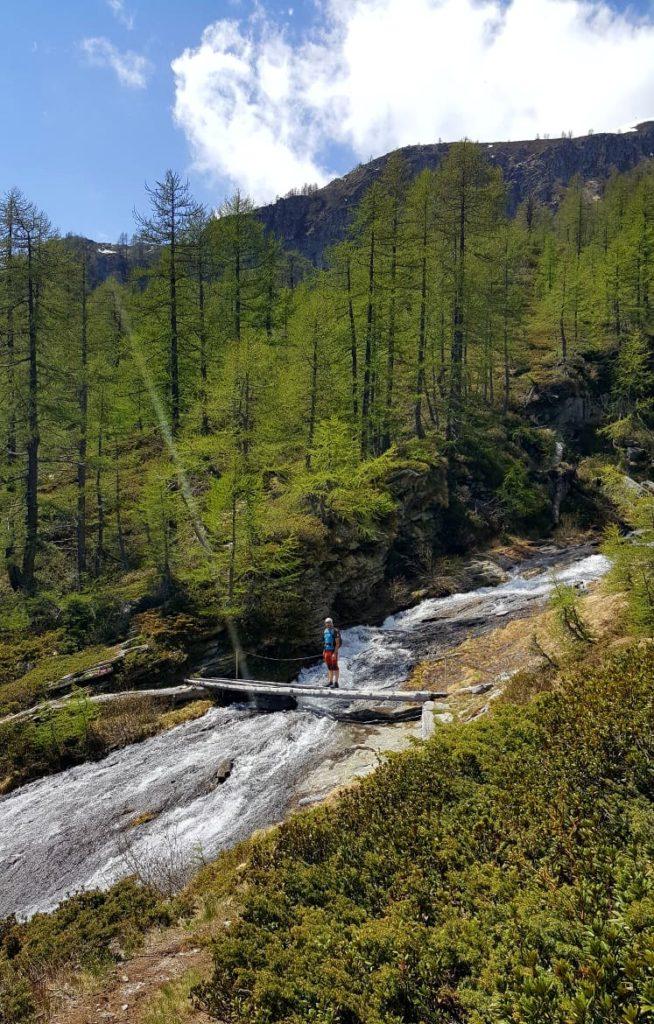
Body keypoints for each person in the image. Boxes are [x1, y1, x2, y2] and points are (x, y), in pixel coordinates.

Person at [323, 617, 341, 688]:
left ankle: (336, 683)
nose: (328, 624)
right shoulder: (325, 631)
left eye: (329, 623)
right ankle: (330, 682)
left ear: (332, 623)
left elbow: (337, 644)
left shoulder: (335, 631)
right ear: (325, 624)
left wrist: (334, 653)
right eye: (327, 623)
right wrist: (324, 651)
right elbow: (325, 642)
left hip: (333, 651)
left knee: (335, 666)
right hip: (327, 650)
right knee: (329, 666)